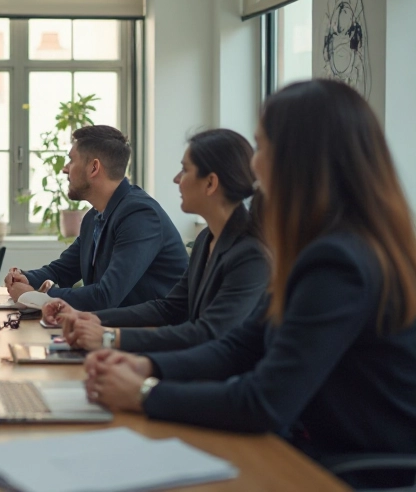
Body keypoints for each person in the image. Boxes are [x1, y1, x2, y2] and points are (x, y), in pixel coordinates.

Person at [85, 80, 416, 485]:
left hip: (347, 471)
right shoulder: (322, 246)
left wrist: (143, 393)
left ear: (298, 158)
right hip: (310, 451)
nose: (253, 166)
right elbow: (241, 345)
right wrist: (147, 364)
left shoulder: (338, 261)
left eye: (260, 147)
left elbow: (266, 400)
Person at [43, 129, 268, 352]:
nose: (176, 179)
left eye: (185, 170)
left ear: (210, 183)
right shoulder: (206, 239)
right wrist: (89, 317)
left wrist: (111, 338)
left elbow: (208, 333)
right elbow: (169, 308)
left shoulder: (250, 252)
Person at [5, 125, 188, 311]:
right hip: (111, 324)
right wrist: (27, 278)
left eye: (71, 160)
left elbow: (106, 296)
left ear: (94, 167)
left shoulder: (140, 215)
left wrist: (36, 296)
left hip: (151, 327)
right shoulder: (94, 216)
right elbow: (63, 270)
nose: (65, 169)